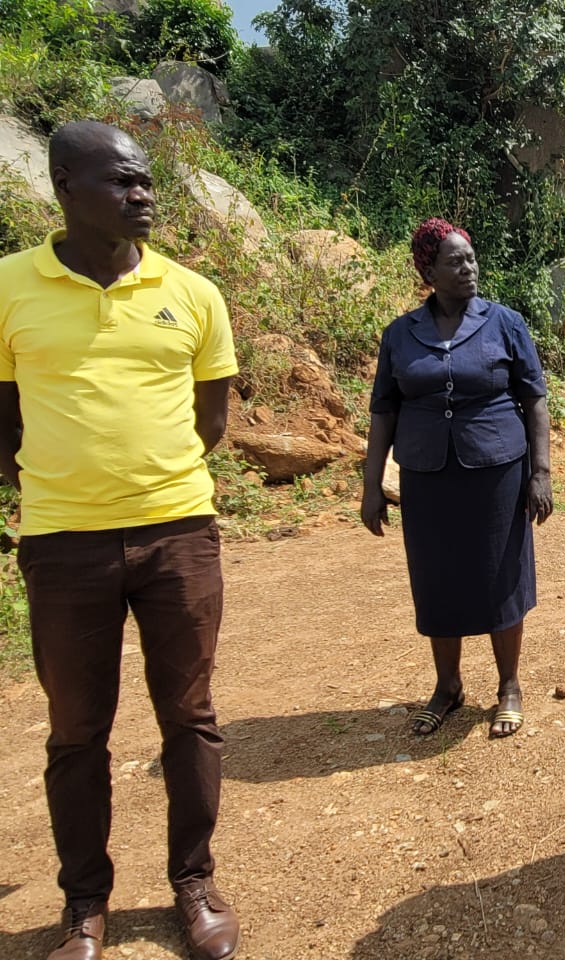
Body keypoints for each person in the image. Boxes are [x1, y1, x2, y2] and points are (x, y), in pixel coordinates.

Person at [0, 121, 240, 960]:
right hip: (64, 544)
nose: (143, 195)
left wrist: (148, 482)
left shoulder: (193, 293)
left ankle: (194, 882)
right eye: (122, 181)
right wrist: (63, 484)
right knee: (76, 730)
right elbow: (3, 422)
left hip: (179, 533)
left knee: (191, 715)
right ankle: (84, 905)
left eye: (146, 181)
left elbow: (211, 419)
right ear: (64, 184)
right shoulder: (8, 287)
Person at [362, 218, 552, 740]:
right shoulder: (400, 334)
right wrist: (371, 484)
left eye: (470, 258)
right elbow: (383, 411)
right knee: (436, 578)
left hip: (497, 471)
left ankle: (509, 686)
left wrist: (540, 472)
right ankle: (447, 687)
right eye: (454, 261)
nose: (468, 268)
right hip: (427, 476)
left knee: (501, 575)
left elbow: (534, 399)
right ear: (428, 271)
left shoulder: (505, 323)